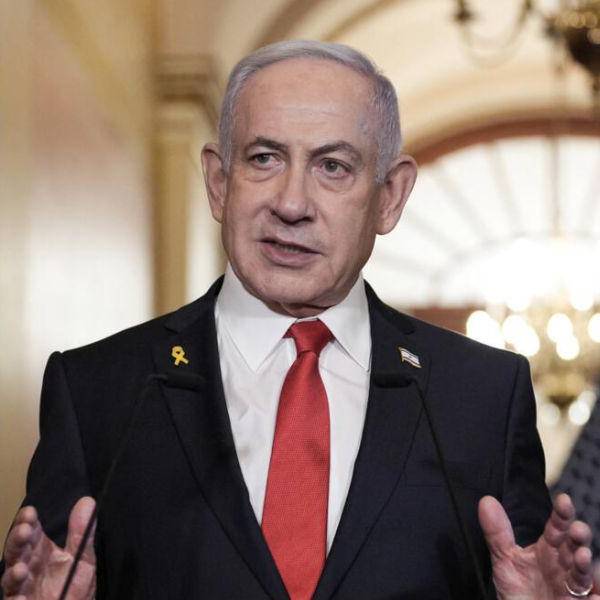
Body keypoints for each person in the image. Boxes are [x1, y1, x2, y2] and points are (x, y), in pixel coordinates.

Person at [1, 40, 597, 600]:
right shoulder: (100, 389)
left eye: (333, 166)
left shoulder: (482, 395)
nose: (290, 204)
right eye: (264, 158)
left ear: (390, 197)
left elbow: (526, 578)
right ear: (218, 182)